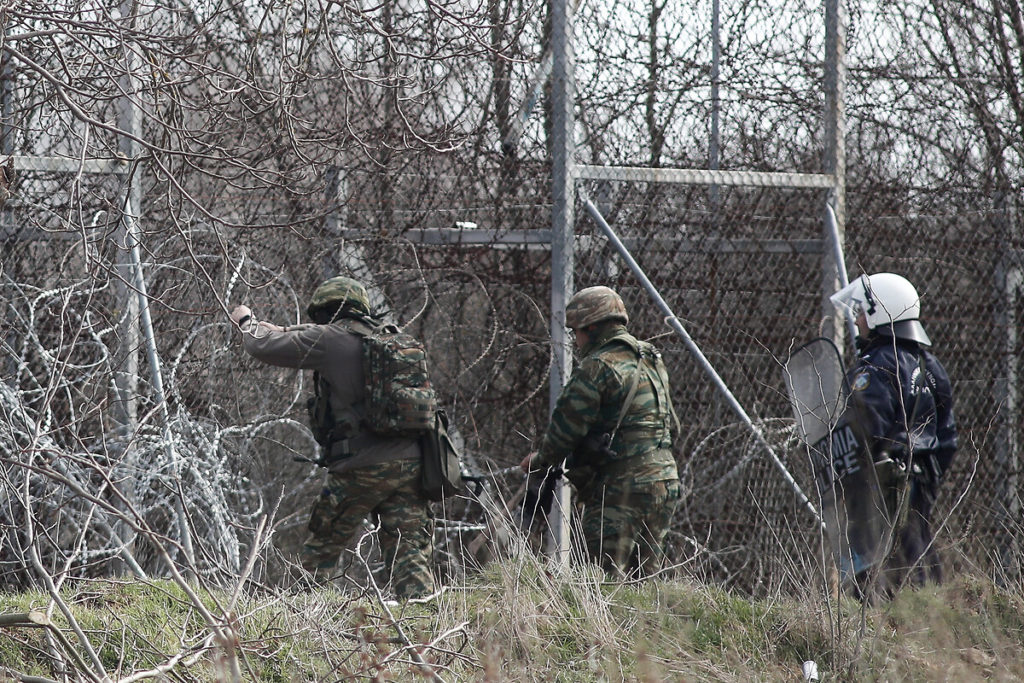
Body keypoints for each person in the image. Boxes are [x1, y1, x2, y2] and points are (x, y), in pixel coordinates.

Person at [230, 276, 435, 599]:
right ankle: (423, 631)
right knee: (409, 555)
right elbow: (302, 335)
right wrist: (284, 329)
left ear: (327, 312)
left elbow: (261, 345)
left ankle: (306, 621)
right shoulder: (391, 339)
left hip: (359, 465)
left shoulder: (328, 339)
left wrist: (245, 320)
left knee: (321, 550)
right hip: (411, 462)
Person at [520, 285, 680, 577]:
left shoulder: (597, 366)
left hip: (622, 486)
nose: (577, 340)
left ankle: (610, 625)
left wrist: (539, 460)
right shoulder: (651, 359)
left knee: (604, 581)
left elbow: (565, 430)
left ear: (592, 328)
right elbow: (670, 423)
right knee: (647, 582)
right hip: (665, 480)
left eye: (577, 332)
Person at [830, 272, 957, 593]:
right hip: (922, 479)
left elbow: (864, 430)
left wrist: (851, 473)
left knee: (873, 561)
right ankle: (929, 611)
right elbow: (948, 437)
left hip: (881, 484)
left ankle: (877, 619)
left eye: (861, 312)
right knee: (916, 547)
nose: (857, 320)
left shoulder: (875, 367)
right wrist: (928, 470)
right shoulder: (931, 366)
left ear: (880, 314)